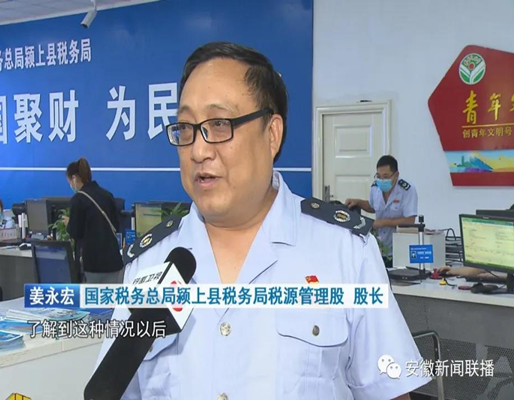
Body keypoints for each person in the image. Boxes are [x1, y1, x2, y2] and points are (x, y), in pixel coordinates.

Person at [95, 42, 429, 399]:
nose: (198, 150)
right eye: (186, 127)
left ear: (272, 134)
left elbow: (389, 391)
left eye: (219, 124)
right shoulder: (149, 263)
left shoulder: (345, 252)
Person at [63, 158, 124, 283]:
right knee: (111, 296)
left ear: (73, 178)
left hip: (92, 265)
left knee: (91, 296)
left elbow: (75, 232)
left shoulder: (78, 199)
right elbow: (116, 226)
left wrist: (69, 223)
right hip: (114, 263)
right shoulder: (107, 195)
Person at [346, 155, 418, 256]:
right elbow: (372, 207)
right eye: (379, 176)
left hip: (399, 247)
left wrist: (383, 222)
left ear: (396, 175)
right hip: (379, 247)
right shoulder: (375, 187)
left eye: (386, 177)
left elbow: (410, 220)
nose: (382, 180)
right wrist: (358, 202)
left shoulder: (407, 190)